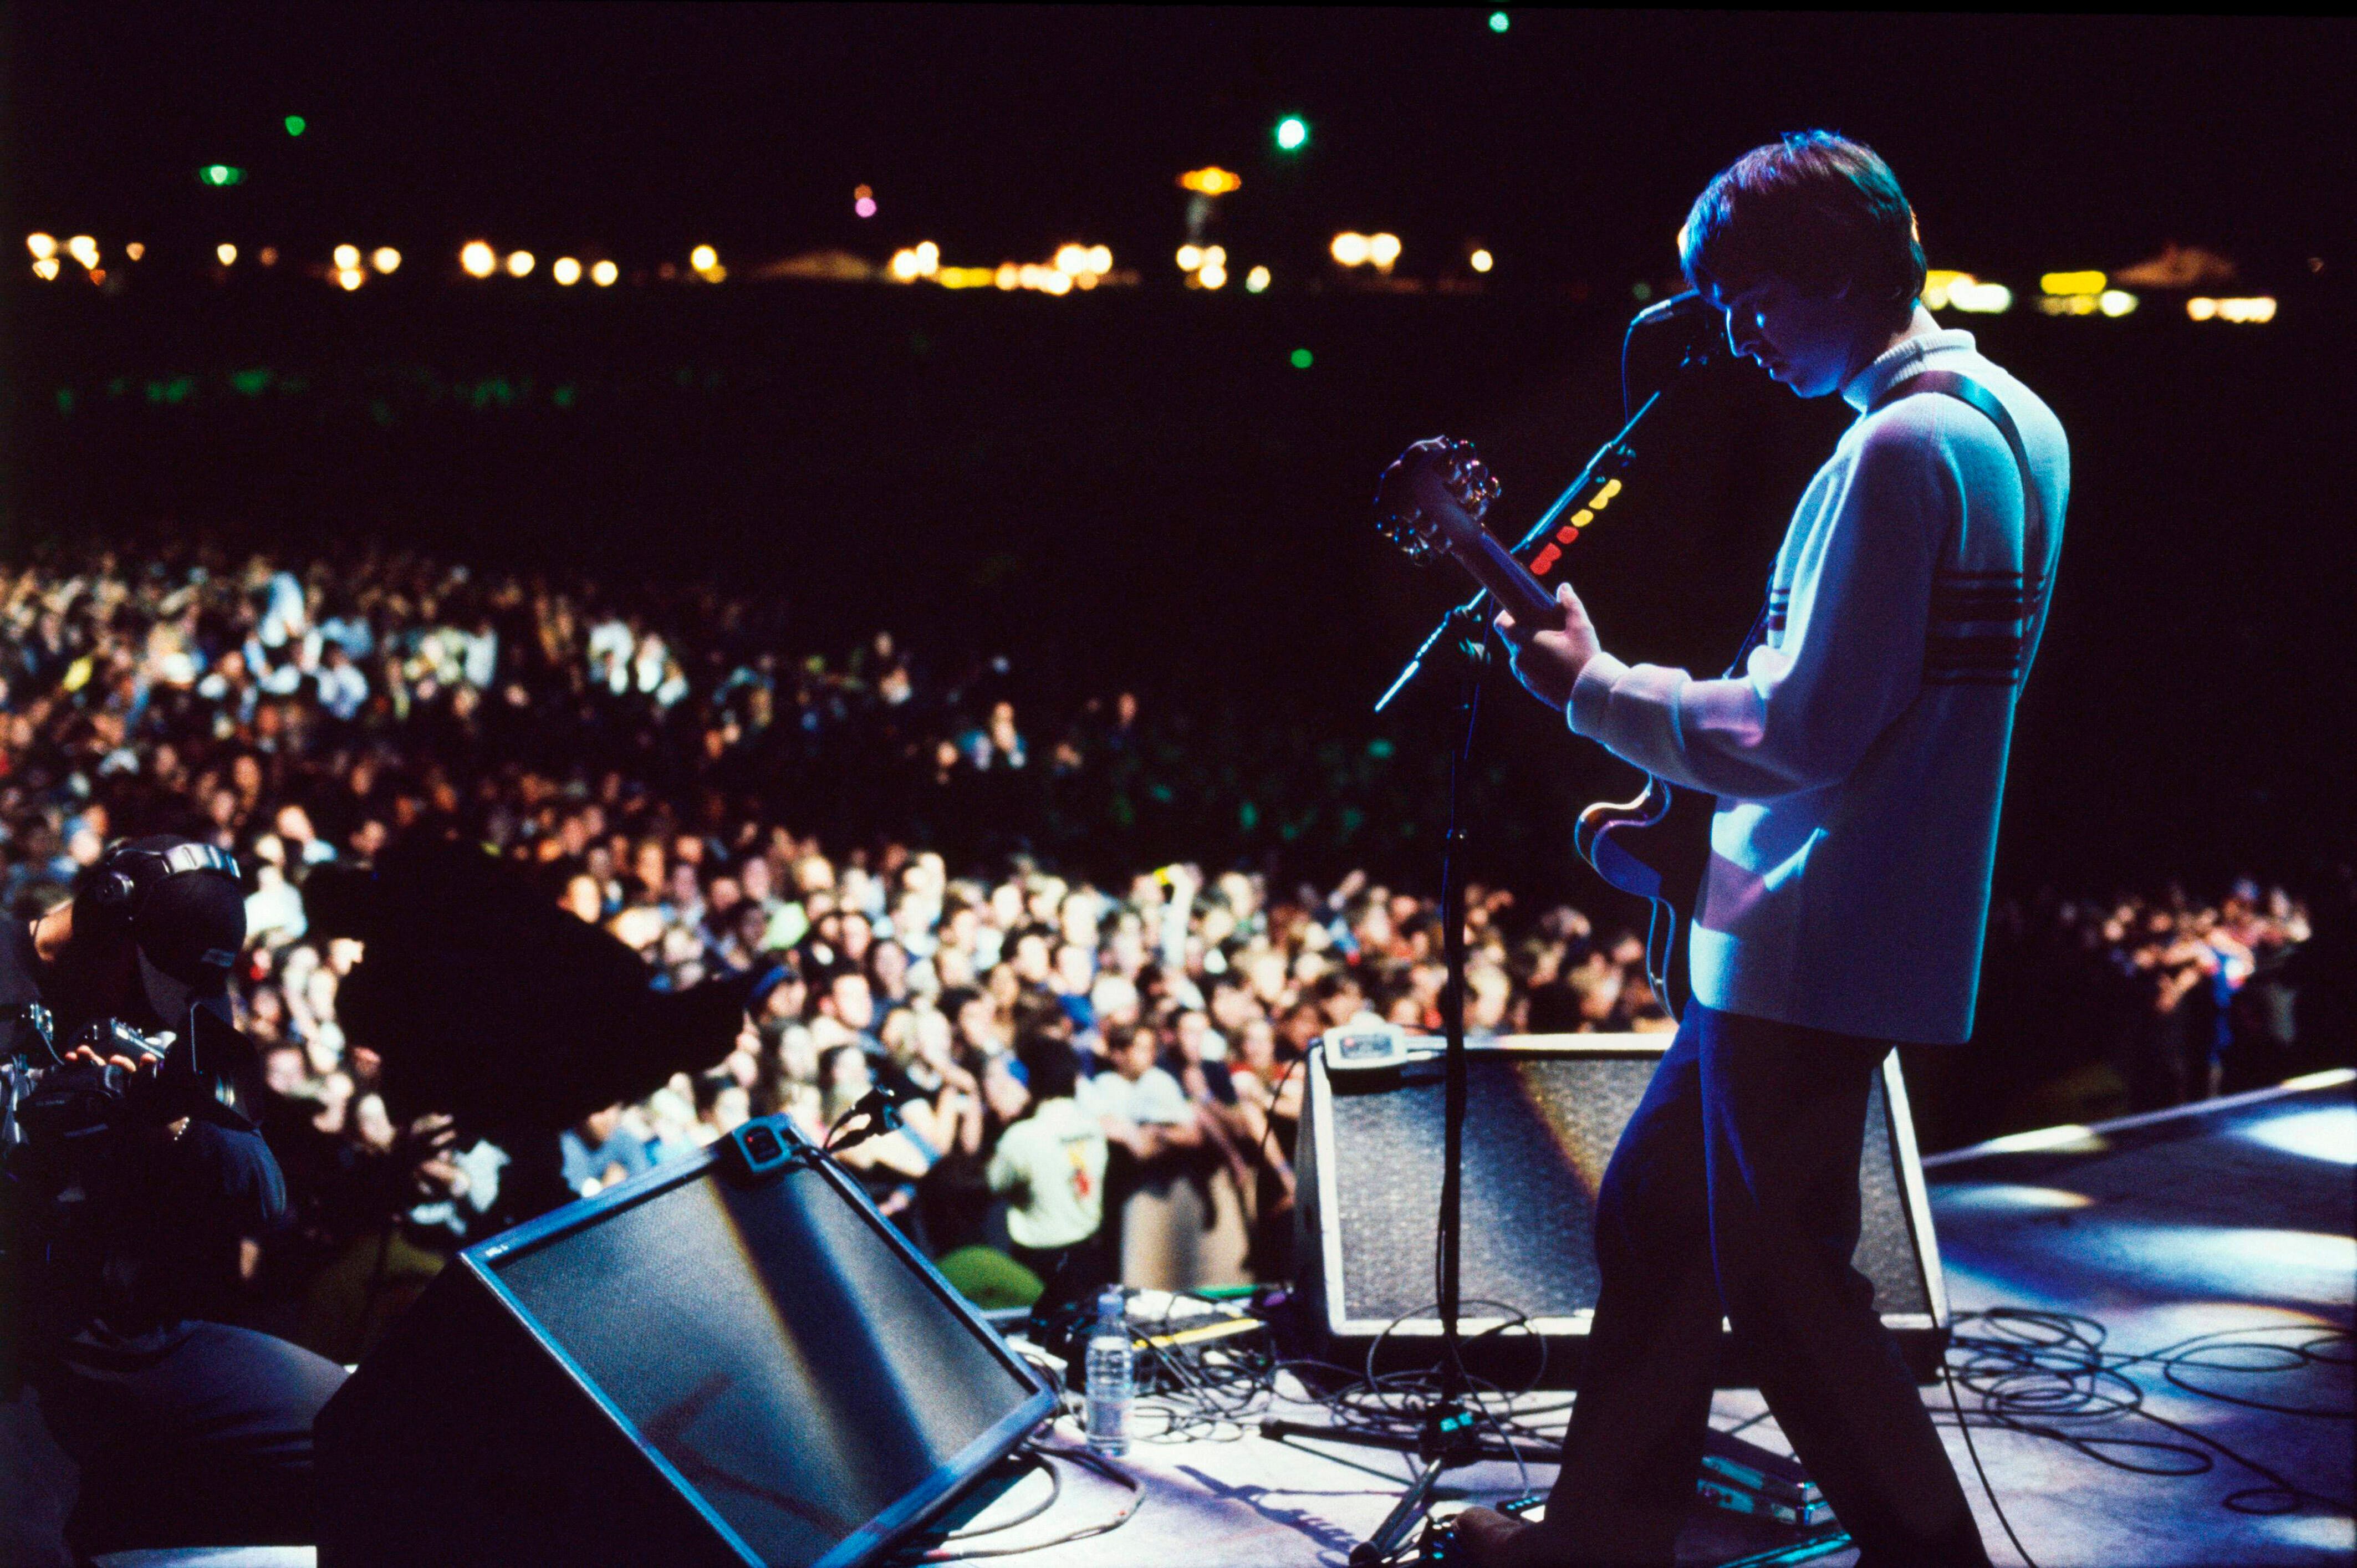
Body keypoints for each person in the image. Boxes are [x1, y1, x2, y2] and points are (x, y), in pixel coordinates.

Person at [1461, 132, 2067, 1568]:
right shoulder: (2019, 420)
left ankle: (1931, 1557)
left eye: (1752, 300)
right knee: (1657, 1217)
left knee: (1790, 1291)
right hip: (1849, 912)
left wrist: (1592, 686)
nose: (1736, 335)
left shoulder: (1895, 452)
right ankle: (1596, 1539)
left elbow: (1798, 728)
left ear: (1840, 274)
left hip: (1806, 927)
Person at [6, 837, 349, 1555]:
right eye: (146, 982)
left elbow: (262, 1189)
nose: (157, 1009)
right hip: (15, 1345)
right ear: (106, 919)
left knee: (371, 1428)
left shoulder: (179, 1001)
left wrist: (172, 1121)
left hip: (127, 1334)